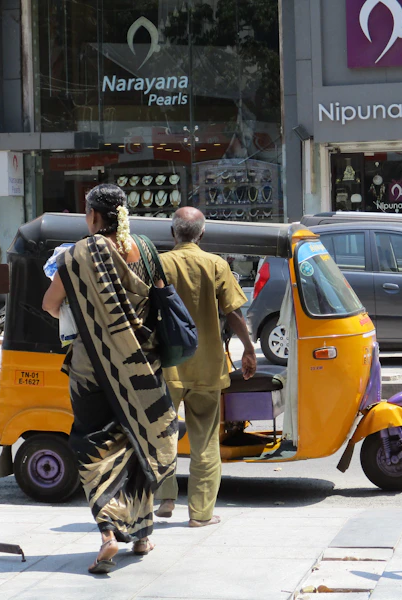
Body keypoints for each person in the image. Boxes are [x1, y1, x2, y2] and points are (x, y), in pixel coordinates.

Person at [42, 184, 178, 574]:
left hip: (91, 368)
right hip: (142, 366)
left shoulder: (78, 255)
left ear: (92, 216)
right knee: (138, 443)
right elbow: (161, 299)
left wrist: (86, 317)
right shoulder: (147, 250)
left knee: (95, 445)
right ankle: (141, 535)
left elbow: (51, 305)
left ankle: (107, 535)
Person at [155, 207, 257, 527]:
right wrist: (250, 349)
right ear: (202, 234)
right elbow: (234, 314)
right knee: (205, 441)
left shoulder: (157, 263)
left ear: (173, 233)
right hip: (206, 366)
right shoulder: (215, 264)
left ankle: (166, 496)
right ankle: (200, 514)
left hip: (166, 367)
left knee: (161, 434)